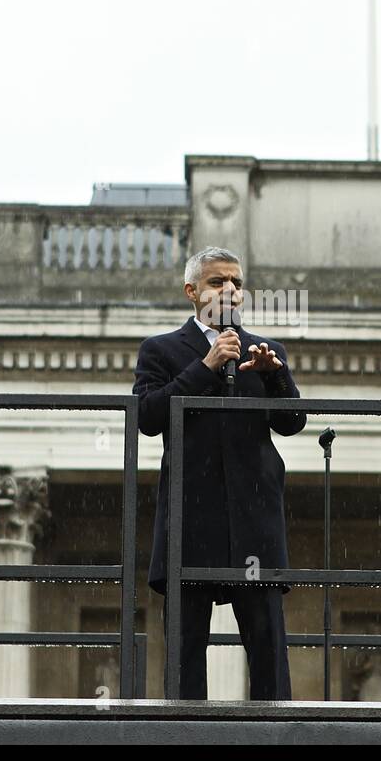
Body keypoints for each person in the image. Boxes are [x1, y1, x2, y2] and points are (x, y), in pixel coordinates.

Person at [132, 245, 306, 700]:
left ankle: (275, 732)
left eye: (236, 283)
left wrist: (274, 377)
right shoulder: (162, 350)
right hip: (192, 519)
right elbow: (147, 418)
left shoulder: (264, 351)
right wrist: (205, 368)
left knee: (268, 649)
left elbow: (292, 422)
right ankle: (185, 732)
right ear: (191, 291)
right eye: (216, 281)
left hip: (254, 521)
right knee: (185, 651)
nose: (229, 289)